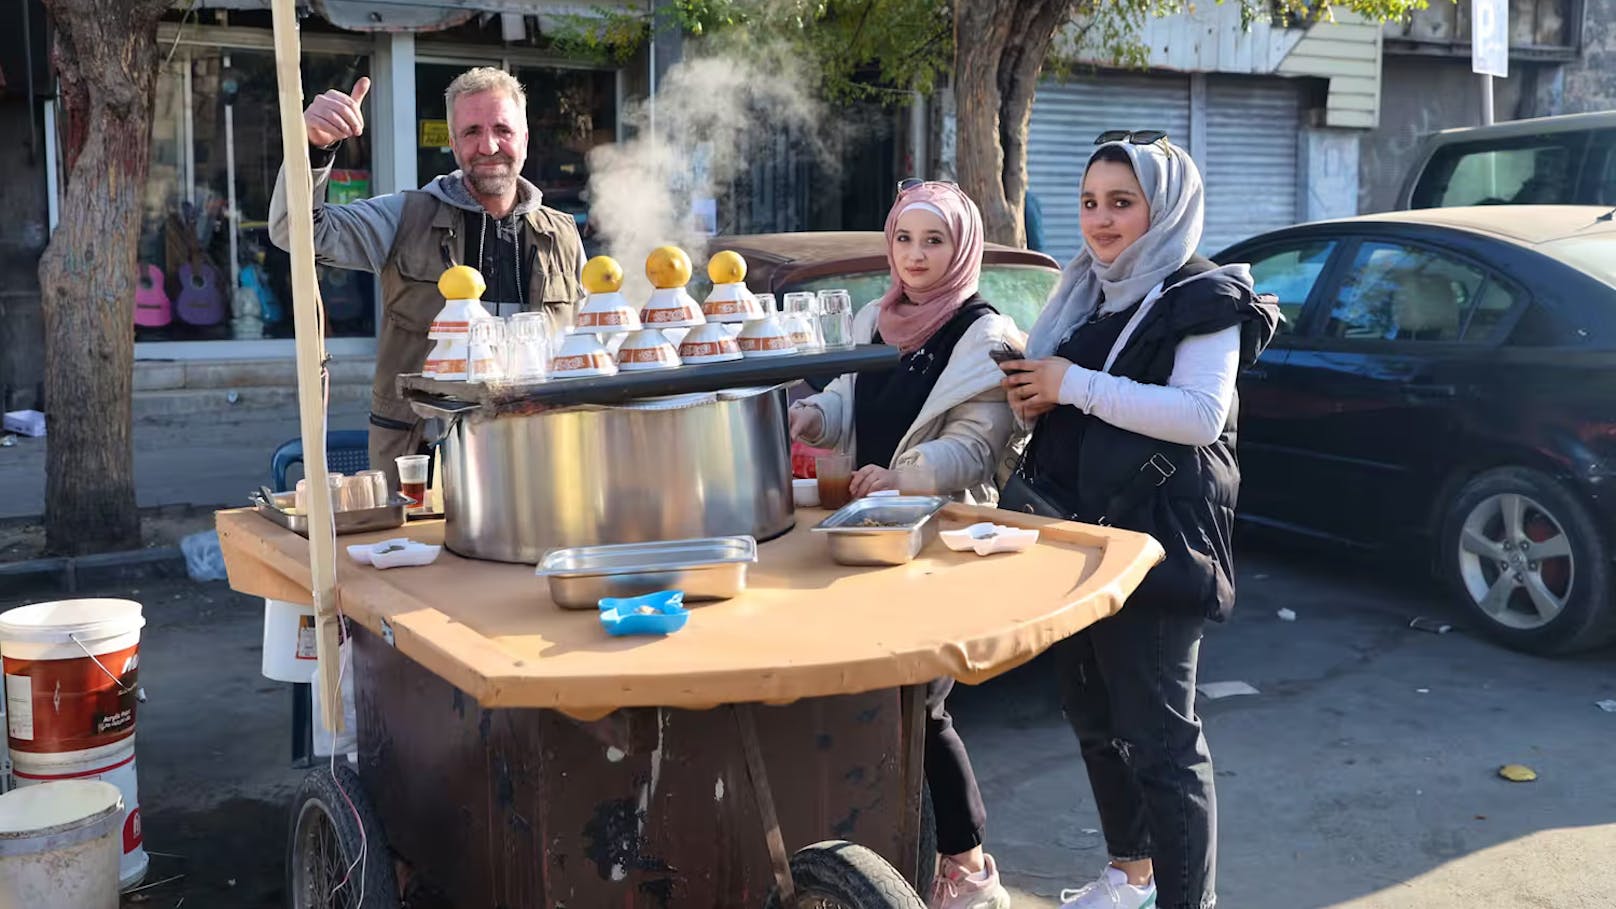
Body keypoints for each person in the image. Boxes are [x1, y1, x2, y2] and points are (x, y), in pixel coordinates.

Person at [998, 132, 1278, 909]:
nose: (1101, 220)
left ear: (1164, 207)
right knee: (1093, 713)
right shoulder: (1089, 287)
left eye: (1123, 203)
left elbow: (1198, 414)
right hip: (1082, 536)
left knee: (1163, 740)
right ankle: (1130, 877)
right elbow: (1071, 388)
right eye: (1090, 203)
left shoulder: (1205, 296)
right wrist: (1035, 390)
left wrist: (1070, 383)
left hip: (1159, 544)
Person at [788, 181, 1022, 909]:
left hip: (938, 541)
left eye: (934, 241)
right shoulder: (874, 316)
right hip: (866, 534)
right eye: (904, 238)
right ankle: (886, 860)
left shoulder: (987, 335)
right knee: (871, 705)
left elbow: (978, 447)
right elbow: (850, 400)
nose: (916, 256)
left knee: (922, 705)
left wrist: (903, 476)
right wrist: (812, 416)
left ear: (962, 248)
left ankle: (970, 866)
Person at [270, 67, 585, 488]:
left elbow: (586, 350)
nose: (488, 145)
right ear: (453, 144)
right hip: (423, 464)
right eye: (471, 131)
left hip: (542, 457)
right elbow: (296, 230)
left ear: (524, 138)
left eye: (502, 130)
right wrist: (311, 149)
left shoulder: (563, 234)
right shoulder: (405, 217)